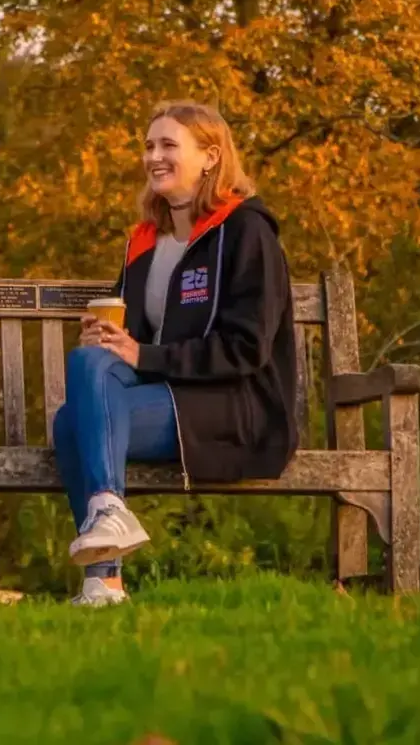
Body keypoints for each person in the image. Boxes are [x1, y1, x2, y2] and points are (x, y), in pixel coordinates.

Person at [52, 100, 299, 606]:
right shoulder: (144, 241)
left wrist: (144, 357)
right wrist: (110, 341)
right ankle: (106, 557)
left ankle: (105, 568)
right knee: (83, 376)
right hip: (165, 396)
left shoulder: (246, 229)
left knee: (74, 422)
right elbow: (132, 345)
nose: (153, 157)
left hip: (235, 405)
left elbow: (247, 348)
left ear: (210, 156)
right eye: (148, 146)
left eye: (168, 145)